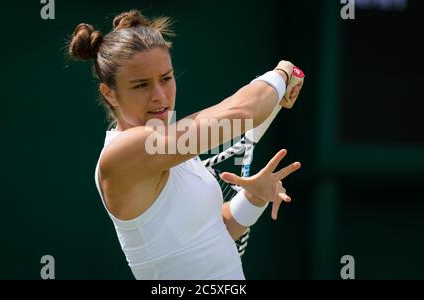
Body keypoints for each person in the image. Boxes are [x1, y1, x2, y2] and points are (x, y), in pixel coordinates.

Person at [69, 9, 303, 280]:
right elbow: (243, 112)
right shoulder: (125, 153)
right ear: (109, 93)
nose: (159, 96)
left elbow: (213, 235)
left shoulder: (169, 147)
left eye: (166, 78)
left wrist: (254, 198)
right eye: (141, 85)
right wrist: (283, 72)